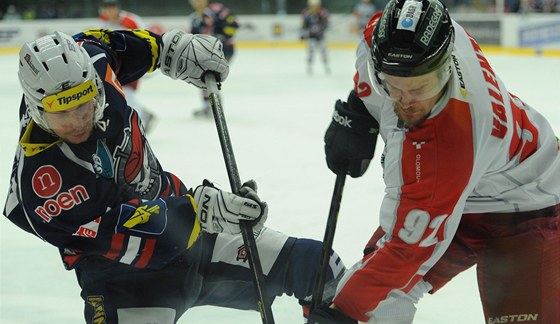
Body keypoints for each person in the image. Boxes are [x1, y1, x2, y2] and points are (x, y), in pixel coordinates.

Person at [5, 28, 346, 323]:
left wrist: (169, 51)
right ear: (36, 108)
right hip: (124, 281)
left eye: (85, 102)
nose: (79, 118)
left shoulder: (91, 59)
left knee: (320, 269)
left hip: (194, 228)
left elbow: (117, 46)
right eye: (62, 112)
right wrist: (198, 210)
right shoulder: (42, 187)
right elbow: (134, 234)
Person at [308, 0, 560, 323]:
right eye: (393, 87)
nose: (406, 101)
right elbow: (375, 70)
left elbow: (403, 254)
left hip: (529, 205)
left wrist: (340, 315)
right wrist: (359, 107)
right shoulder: (385, 39)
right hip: (474, 182)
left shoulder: (452, 138)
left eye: (419, 88)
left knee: (366, 295)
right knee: (376, 300)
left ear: (445, 67)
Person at [99, 0, 156, 132]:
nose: (109, 11)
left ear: (117, 8)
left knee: (124, 91)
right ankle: (143, 115)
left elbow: (145, 39)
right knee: (120, 91)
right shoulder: (102, 21)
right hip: (115, 63)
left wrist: (145, 61)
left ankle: (141, 118)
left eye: (112, 7)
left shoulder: (131, 21)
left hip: (131, 62)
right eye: (107, 8)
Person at [188, 0, 239, 118]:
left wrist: (223, 36)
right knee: (204, 78)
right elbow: (192, 37)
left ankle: (215, 107)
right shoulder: (195, 18)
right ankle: (210, 107)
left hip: (223, 51)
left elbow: (234, 23)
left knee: (210, 78)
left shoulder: (216, 9)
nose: (197, 2)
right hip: (206, 53)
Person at [301, 0, 330, 75]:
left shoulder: (323, 13)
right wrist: (303, 34)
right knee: (311, 52)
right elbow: (304, 25)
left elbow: (326, 24)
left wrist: (320, 28)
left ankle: (326, 67)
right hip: (311, 37)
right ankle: (309, 67)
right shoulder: (307, 13)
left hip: (321, 37)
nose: (314, 8)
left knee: (323, 52)